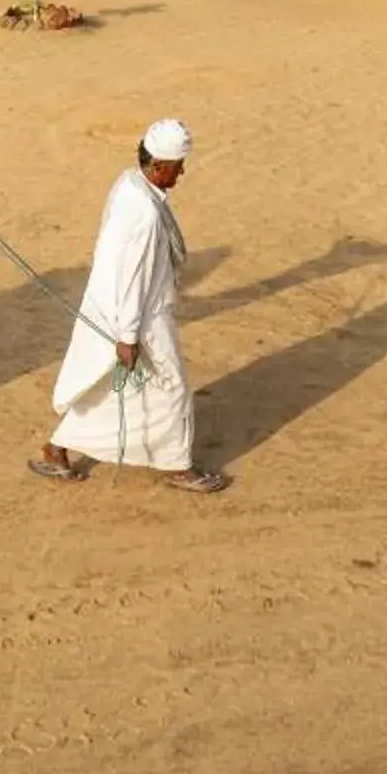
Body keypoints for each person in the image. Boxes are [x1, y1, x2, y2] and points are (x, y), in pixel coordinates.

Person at [31, 118, 230, 493]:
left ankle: (56, 449)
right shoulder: (143, 212)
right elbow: (132, 277)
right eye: (177, 166)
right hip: (139, 315)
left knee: (117, 387)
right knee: (172, 386)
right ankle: (177, 466)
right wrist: (128, 335)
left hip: (126, 309)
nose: (181, 172)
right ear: (158, 166)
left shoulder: (129, 183)